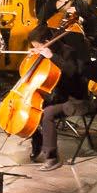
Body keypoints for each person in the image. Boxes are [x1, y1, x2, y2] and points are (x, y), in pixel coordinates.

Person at [25, 25, 88, 170]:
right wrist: (31, 58)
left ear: (48, 41)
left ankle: (52, 157)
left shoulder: (67, 52)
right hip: (56, 96)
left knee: (47, 113)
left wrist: (52, 57)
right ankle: (38, 144)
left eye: (39, 46)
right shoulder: (43, 54)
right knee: (31, 107)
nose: (38, 49)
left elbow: (72, 73)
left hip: (73, 99)